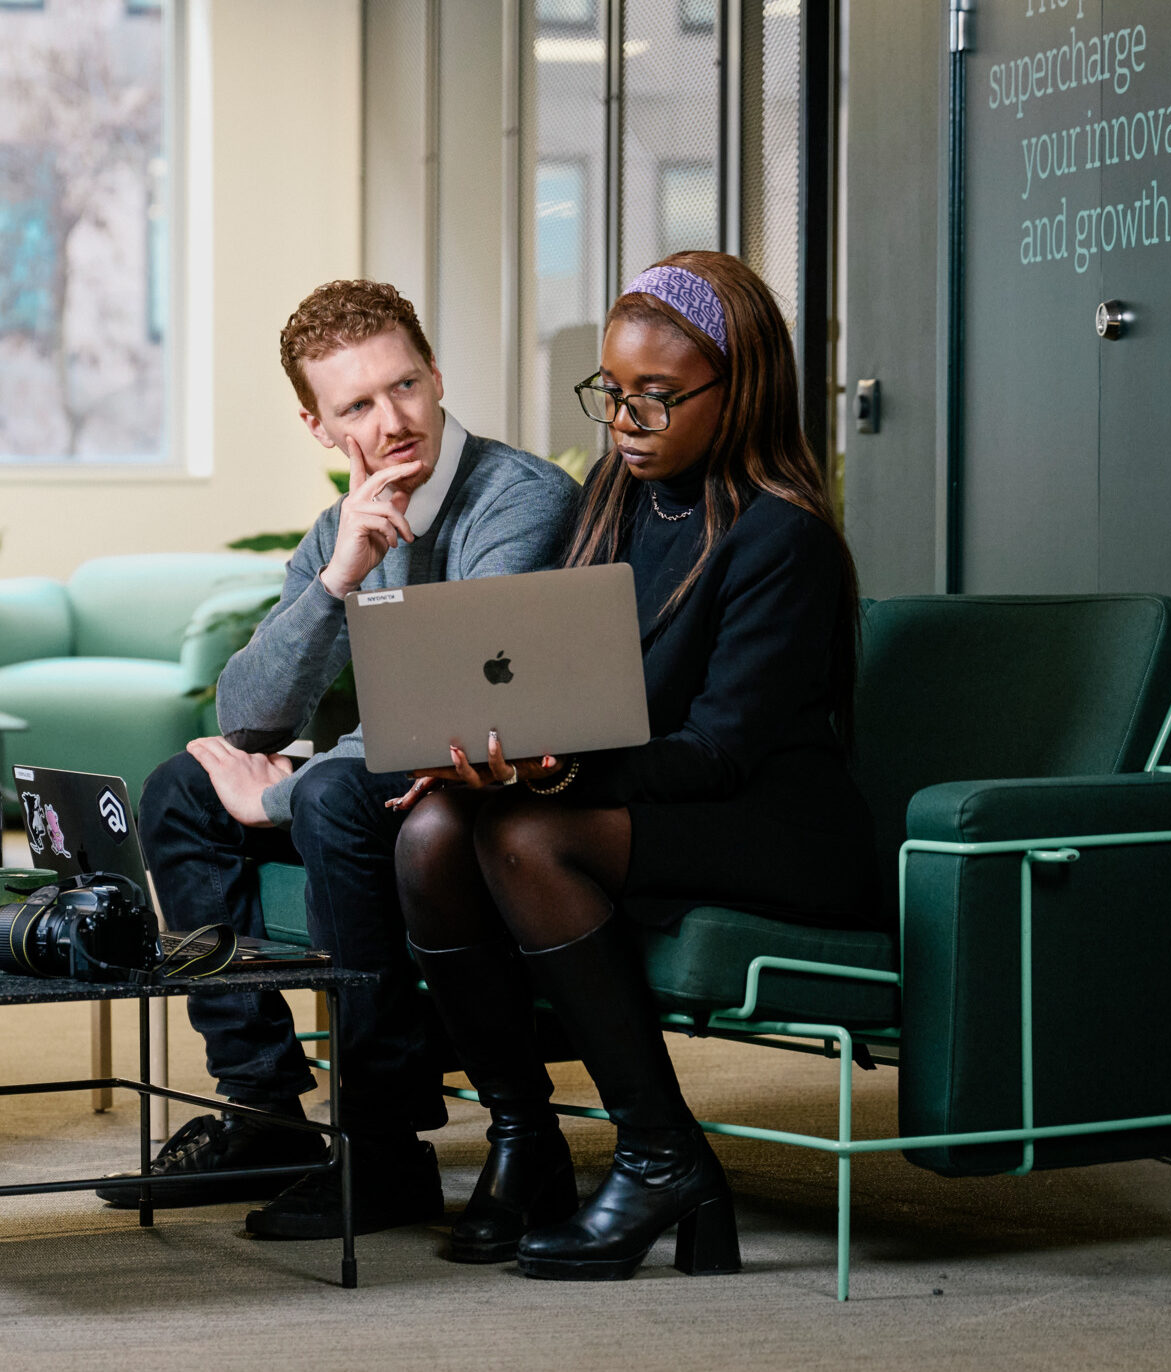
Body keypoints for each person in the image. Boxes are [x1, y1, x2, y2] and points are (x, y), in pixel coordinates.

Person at [390, 251, 874, 1278]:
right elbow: (561, 677)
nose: (624, 422)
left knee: (524, 836)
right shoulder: (614, 493)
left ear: (736, 390)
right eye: (611, 392)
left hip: (776, 826)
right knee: (434, 830)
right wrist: (496, 744)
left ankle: (661, 1155)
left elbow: (719, 751)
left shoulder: (781, 539)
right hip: (646, 795)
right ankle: (526, 1139)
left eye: (657, 398)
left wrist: (552, 776)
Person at [112, 281, 580, 1240]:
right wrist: (337, 579)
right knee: (180, 791)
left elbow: (459, 699)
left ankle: (382, 1146)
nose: (393, 419)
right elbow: (244, 716)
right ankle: (264, 1109)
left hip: (489, 784)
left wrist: (272, 803)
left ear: (437, 375)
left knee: (321, 793)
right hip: (389, 774)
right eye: (357, 405)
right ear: (318, 426)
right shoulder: (344, 526)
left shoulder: (521, 501)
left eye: (405, 386)